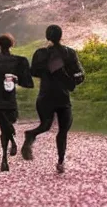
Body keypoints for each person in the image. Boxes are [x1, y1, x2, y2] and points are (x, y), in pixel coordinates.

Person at [21, 25, 85, 174]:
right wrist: (68, 79)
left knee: (45, 125)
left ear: (47, 36)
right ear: (61, 36)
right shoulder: (69, 53)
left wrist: (47, 70)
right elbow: (79, 74)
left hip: (45, 96)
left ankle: (31, 134)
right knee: (63, 131)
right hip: (62, 96)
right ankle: (60, 161)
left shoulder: (40, 53)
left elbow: (34, 72)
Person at [0, 33, 34, 172]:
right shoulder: (19, 61)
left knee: (4, 127)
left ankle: (6, 154)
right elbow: (27, 82)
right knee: (7, 125)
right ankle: (6, 155)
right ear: (12, 44)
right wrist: (16, 79)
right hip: (10, 98)